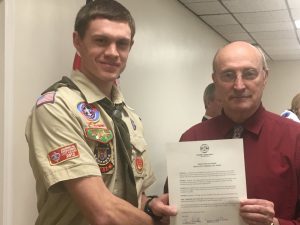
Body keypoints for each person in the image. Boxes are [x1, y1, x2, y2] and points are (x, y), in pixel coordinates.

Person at [25, 1, 176, 225]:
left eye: (122, 44)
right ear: (77, 41)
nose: (113, 53)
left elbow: (128, 194)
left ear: (130, 47)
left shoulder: (128, 117)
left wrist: (150, 206)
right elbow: (103, 211)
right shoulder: (56, 107)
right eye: (101, 41)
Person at [179, 41, 300, 225]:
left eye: (249, 74)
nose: (239, 85)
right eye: (228, 75)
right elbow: (175, 211)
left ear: (265, 77)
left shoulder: (295, 138)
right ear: (215, 80)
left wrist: (275, 223)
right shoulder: (191, 139)